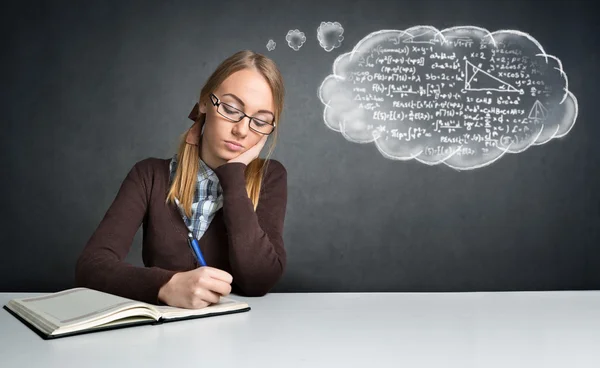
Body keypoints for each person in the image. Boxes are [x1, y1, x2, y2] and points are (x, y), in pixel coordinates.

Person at [75, 50, 287, 309]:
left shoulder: (270, 177)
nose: (241, 130)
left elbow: (259, 280)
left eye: (260, 121)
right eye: (231, 109)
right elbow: (91, 266)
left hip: (239, 337)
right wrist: (165, 285)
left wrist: (234, 174)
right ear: (204, 102)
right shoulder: (148, 176)